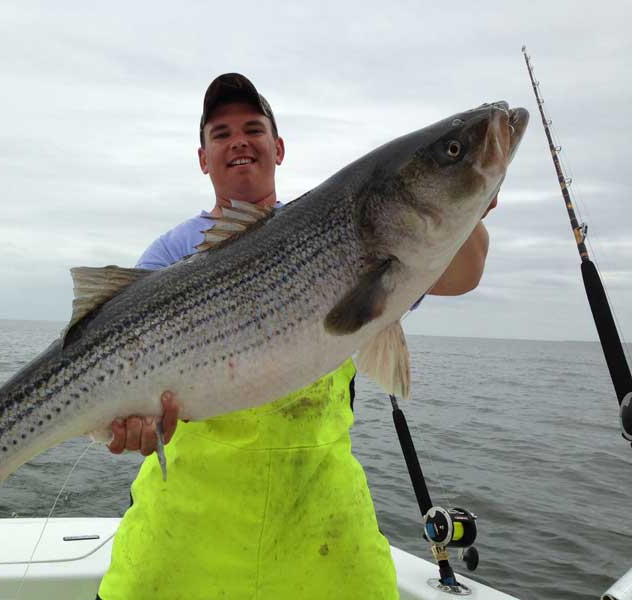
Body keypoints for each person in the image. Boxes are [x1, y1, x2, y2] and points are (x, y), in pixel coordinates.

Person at [97, 74, 494, 600]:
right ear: (202, 158)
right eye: (221, 133)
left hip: (322, 537)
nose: (238, 140)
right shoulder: (169, 255)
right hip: (182, 547)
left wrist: (466, 198)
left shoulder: (356, 228)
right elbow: (124, 392)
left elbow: (465, 274)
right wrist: (130, 427)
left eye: (253, 128)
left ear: (278, 147)